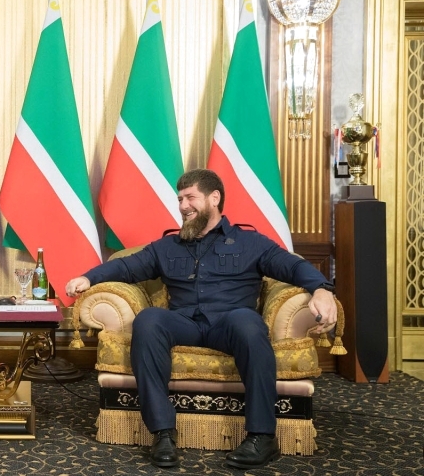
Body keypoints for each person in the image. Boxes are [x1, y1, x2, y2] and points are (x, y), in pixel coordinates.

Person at [65, 169, 337, 470]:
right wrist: (88, 278)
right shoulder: (167, 246)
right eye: (180, 199)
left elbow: (292, 267)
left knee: (248, 323)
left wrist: (321, 290)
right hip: (184, 323)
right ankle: (162, 433)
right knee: (149, 320)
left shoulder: (251, 242)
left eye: (190, 198)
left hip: (231, 324)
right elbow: (127, 267)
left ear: (214, 198)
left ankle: (262, 437)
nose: (183, 206)